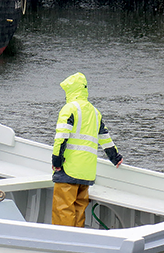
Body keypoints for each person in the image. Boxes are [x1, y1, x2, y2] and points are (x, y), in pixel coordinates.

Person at [51, 72, 123, 228]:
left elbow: (61, 137)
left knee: (63, 209)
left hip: (68, 168)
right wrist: (115, 157)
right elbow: (105, 137)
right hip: (87, 171)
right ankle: (78, 240)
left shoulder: (69, 108)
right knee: (79, 208)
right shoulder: (95, 112)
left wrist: (56, 161)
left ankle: (64, 243)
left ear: (70, 90)